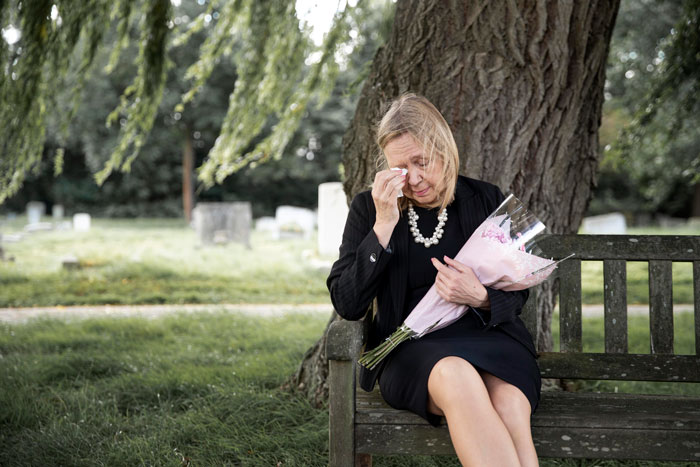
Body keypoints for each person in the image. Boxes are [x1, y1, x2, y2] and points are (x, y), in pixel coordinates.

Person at [327, 93, 541, 466]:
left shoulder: (483, 199)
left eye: (421, 161)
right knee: (457, 376)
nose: (414, 177)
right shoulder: (371, 209)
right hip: (412, 350)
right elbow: (348, 304)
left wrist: (481, 297)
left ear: (443, 148)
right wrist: (383, 226)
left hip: (491, 340)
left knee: (509, 402)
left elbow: (517, 296)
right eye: (400, 168)